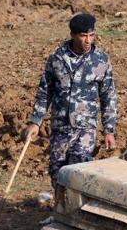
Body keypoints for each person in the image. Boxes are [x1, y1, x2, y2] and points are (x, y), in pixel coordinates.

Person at [23, 13, 117, 188]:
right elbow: (45, 91)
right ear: (73, 35)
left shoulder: (101, 60)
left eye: (91, 35)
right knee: (57, 171)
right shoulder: (57, 58)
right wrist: (35, 121)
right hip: (61, 126)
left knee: (78, 170)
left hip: (85, 128)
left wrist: (109, 130)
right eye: (83, 36)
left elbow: (108, 96)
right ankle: (60, 209)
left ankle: (74, 213)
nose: (88, 40)